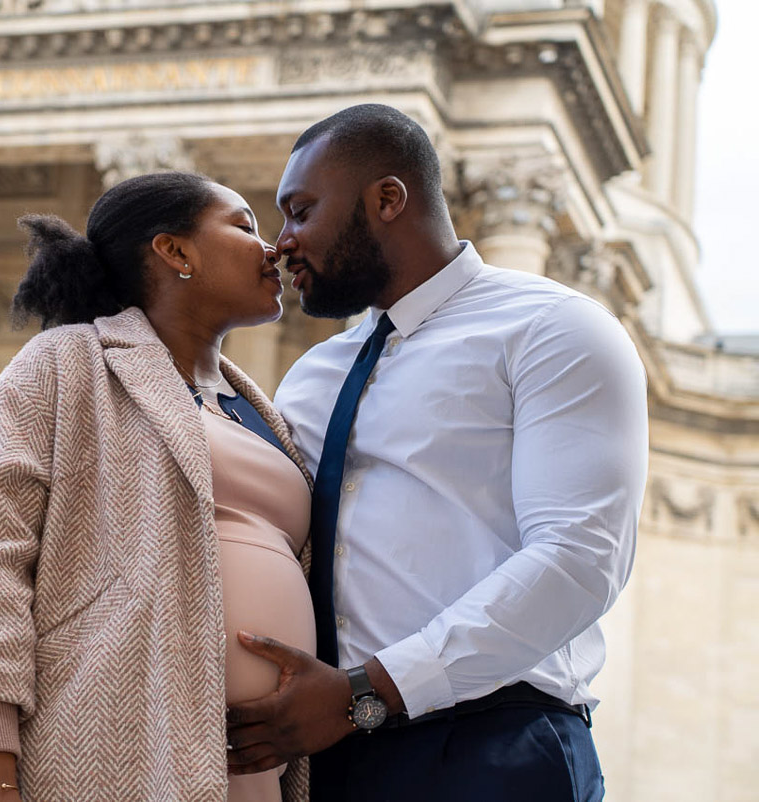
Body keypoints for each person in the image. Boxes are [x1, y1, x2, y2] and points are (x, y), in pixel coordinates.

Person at [224, 104, 648, 802]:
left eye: (300, 212)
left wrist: (369, 691)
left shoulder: (552, 329)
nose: (280, 243)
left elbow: (580, 557)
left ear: (388, 199)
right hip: (322, 754)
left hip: (490, 746)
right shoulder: (310, 377)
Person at [0, 171, 317, 802]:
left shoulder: (259, 410)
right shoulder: (66, 362)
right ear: (175, 251)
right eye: (245, 226)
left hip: (253, 767)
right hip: (107, 755)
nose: (273, 247)